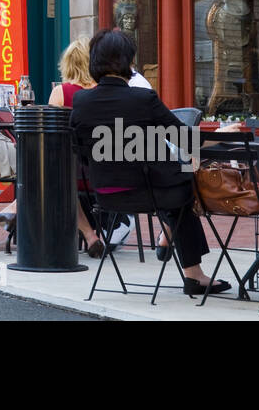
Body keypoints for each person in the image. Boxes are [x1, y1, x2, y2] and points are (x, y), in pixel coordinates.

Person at [69, 28, 230, 297]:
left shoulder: (81, 101)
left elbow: (81, 150)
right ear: (127, 62)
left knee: (172, 183)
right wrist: (221, 135)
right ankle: (194, 274)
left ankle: (173, 245)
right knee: (185, 184)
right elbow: (186, 140)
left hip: (105, 197)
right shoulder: (142, 99)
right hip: (151, 194)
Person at [0, 39, 107, 255]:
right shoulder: (103, 92)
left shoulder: (62, 92)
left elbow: (52, 139)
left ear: (68, 64)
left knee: (49, 170)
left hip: (72, 171)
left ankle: (14, 210)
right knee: (59, 172)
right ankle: (89, 237)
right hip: (102, 169)